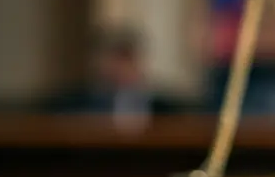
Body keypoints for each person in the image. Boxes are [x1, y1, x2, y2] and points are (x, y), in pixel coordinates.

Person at [47, 27, 186, 123]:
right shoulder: (76, 105)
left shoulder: (166, 109)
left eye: (127, 58)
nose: (122, 68)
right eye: (116, 59)